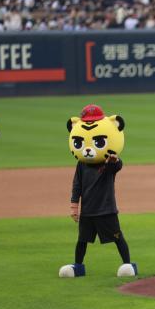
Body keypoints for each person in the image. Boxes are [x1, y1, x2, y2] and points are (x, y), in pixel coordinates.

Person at [62, 105, 137, 277]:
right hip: (88, 210)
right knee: (82, 241)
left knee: (118, 237)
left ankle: (128, 265)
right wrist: (74, 207)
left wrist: (114, 159)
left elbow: (117, 166)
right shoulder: (81, 164)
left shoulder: (108, 163)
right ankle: (78, 266)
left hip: (106, 209)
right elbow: (77, 185)